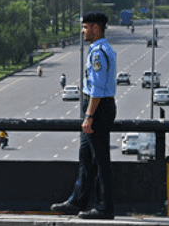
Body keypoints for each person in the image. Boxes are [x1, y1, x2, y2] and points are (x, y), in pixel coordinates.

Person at [51, 12, 117, 220]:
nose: (83, 31)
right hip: (98, 106)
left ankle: (105, 207)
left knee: (100, 160)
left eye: (86, 27)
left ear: (95, 28)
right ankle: (77, 201)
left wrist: (89, 116)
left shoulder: (98, 53)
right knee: (86, 158)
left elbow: (97, 88)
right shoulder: (101, 49)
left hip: (98, 107)